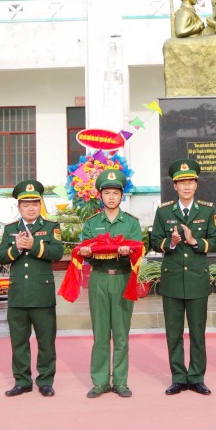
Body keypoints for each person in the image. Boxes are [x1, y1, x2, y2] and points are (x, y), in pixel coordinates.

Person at [150, 158, 216, 395]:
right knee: (174, 333)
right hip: (172, 280)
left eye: (191, 181)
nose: (187, 186)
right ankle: (178, 377)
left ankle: (197, 377)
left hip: (197, 280)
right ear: (175, 186)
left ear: (196, 184)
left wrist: (194, 241)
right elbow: (154, 241)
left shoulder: (208, 210)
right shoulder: (163, 212)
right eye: (182, 182)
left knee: (197, 333)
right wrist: (170, 242)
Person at [78, 169, 143, 398]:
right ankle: (100, 381)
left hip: (123, 278)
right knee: (101, 332)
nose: (111, 197)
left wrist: (127, 254)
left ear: (122, 195)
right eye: (107, 193)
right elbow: (85, 250)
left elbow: (138, 251)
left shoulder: (131, 223)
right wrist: (87, 253)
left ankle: (121, 382)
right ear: (100, 195)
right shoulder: (91, 223)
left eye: (116, 193)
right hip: (99, 278)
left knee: (121, 334)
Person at [0, 179, 64, 397]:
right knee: (18, 341)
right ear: (19, 207)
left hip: (42, 294)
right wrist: (16, 248)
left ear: (40, 204)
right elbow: (1, 257)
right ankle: (22, 381)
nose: (31, 208)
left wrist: (34, 246)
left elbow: (57, 253)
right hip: (18, 294)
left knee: (46, 341)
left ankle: (45, 381)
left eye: (35, 203)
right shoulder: (10, 229)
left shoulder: (51, 227)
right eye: (26, 204)